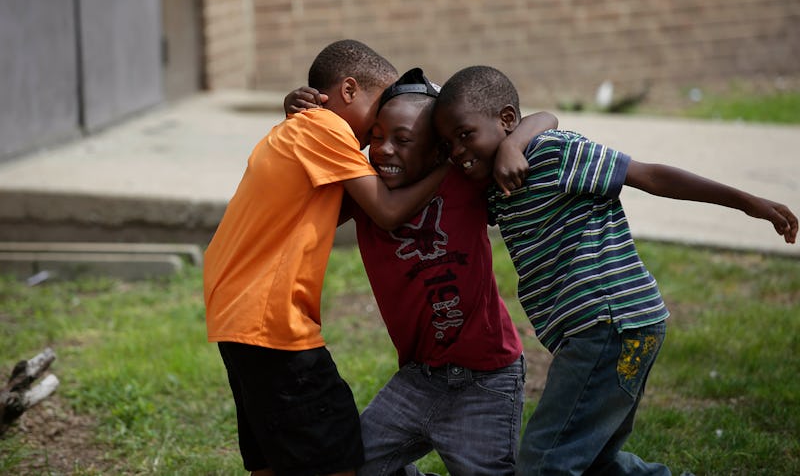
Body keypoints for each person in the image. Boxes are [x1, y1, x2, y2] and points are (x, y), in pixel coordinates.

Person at [432, 65, 798, 476]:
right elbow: (539, 117)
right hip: (610, 329)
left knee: (544, 464)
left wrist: (747, 203)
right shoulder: (494, 188)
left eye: (465, 135)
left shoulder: (552, 153)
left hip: (608, 324)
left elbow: (649, 175)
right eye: (448, 144)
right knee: (594, 463)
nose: (458, 152)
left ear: (505, 120)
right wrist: (508, 142)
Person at [284, 67, 558, 476]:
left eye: (403, 139)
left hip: (486, 377)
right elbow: (301, 189)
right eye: (376, 137)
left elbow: (545, 118)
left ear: (437, 152)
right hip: (418, 378)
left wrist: (513, 145)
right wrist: (296, 116)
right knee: (349, 467)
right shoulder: (364, 195)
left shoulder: (465, 181)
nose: (384, 150)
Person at [203, 40, 449, 476]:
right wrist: (449, 165)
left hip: (237, 314)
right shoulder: (324, 127)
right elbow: (387, 211)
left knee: (272, 456)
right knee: (334, 453)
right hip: (272, 321)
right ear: (349, 90)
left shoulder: (302, 131)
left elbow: (347, 207)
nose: (384, 120)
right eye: (381, 104)